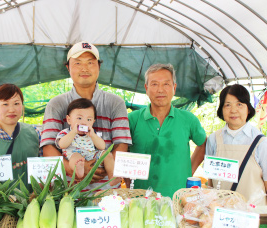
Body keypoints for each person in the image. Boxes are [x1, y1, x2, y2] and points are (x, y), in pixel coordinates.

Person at [41, 41, 132, 191]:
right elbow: (48, 149)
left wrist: (101, 166)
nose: (84, 68)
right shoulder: (56, 104)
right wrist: (75, 169)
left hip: (107, 191)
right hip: (68, 192)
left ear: (99, 66)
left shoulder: (115, 103)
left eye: (90, 62)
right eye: (77, 63)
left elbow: (122, 144)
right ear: (68, 67)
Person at [128, 63, 207, 198]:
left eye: (166, 84)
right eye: (154, 84)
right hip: (140, 198)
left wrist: (190, 170)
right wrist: (128, 180)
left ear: (174, 88)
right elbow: (120, 151)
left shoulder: (188, 119)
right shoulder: (132, 119)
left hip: (177, 197)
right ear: (146, 88)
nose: (160, 90)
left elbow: (203, 143)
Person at [206, 84, 267, 205]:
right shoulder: (213, 139)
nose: (233, 110)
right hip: (222, 215)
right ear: (221, 110)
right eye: (227, 105)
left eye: (239, 104)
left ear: (248, 109)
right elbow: (211, 182)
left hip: (254, 215)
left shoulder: (261, 142)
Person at [56, 98, 121, 186]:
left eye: (89, 120)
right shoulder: (66, 132)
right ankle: (79, 171)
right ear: (69, 120)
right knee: (75, 158)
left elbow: (102, 146)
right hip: (74, 154)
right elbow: (62, 145)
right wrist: (73, 132)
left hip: (91, 156)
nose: (84, 122)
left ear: (93, 122)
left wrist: (93, 135)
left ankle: (113, 176)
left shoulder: (92, 134)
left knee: (107, 154)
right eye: (79, 118)